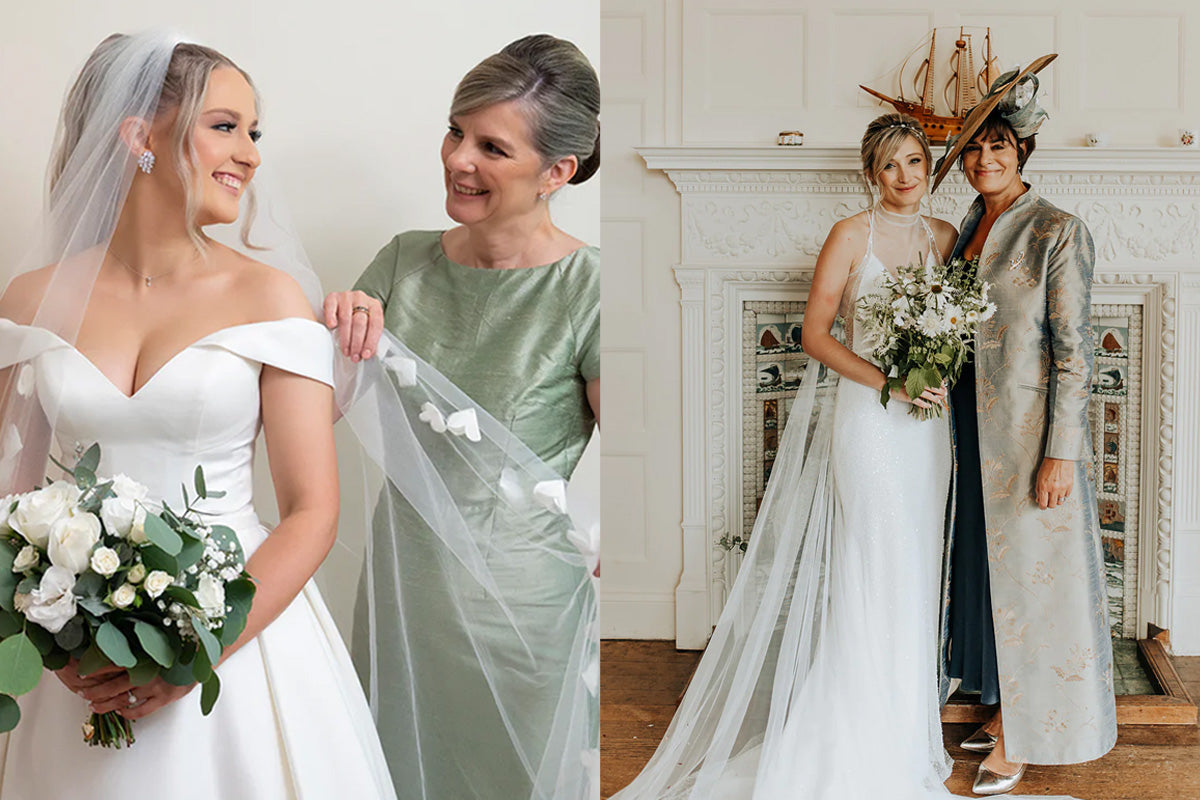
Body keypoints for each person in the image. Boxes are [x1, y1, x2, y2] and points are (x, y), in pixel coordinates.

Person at [0, 32, 395, 798]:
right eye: (225, 126)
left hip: (233, 641)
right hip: (74, 656)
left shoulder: (271, 299)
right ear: (140, 134)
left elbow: (312, 511)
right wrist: (54, 629)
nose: (249, 154)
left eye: (254, 133)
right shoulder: (29, 300)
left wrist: (193, 655)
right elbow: (9, 500)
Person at [610, 112, 977, 799]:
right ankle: (846, 732)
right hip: (869, 423)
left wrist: (934, 375)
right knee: (868, 563)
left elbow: (954, 328)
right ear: (871, 173)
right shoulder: (849, 237)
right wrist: (889, 383)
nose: (904, 177)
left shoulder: (945, 237)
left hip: (926, 429)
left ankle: (902, 728)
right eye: (890, 165)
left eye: (915, 164)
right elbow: (814, 334)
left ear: (931, 170)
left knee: (915, 569)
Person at [323, 34, 600, 800]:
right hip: (402, 596)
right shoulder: (401, 263)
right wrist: (329, 333)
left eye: (490, 147)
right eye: (455, 131)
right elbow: (314, 413)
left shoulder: (588, 287)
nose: (457, 159)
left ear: (557, 173)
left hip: (524, 611)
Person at [932, 55, 1117, 795]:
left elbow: (1076, 354)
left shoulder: (1057, 231)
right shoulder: (966, 231)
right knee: (986, 579)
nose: (984, 158)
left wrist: (1061, 457)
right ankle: (1003, 703)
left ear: (1022, 150)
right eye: (973, 148)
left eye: (998, 145)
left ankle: (1027, 732)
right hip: (963, 438)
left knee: (1037, 588)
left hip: (1027, 441)